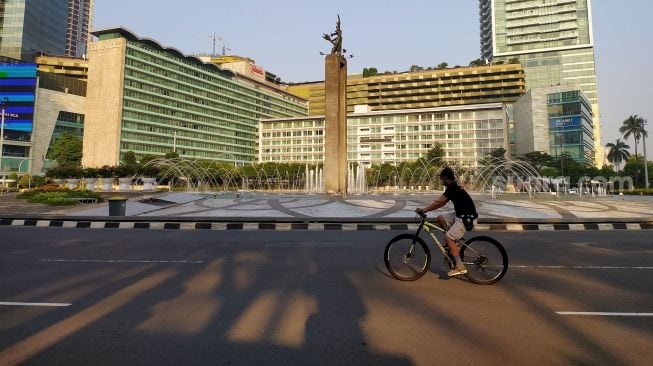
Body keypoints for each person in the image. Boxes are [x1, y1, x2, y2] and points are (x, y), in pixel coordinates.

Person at [415, 167, 478, 277]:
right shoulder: (453, 186)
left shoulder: (452, 187)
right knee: (440, 218)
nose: (441, 182)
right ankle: (454, 244)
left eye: (442, 179)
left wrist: (424, 210)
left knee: (448, 238)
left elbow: (439, 202)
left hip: (466, 218)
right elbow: (441, 202)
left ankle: (460, 266)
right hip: (461, 215)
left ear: (446, 178)